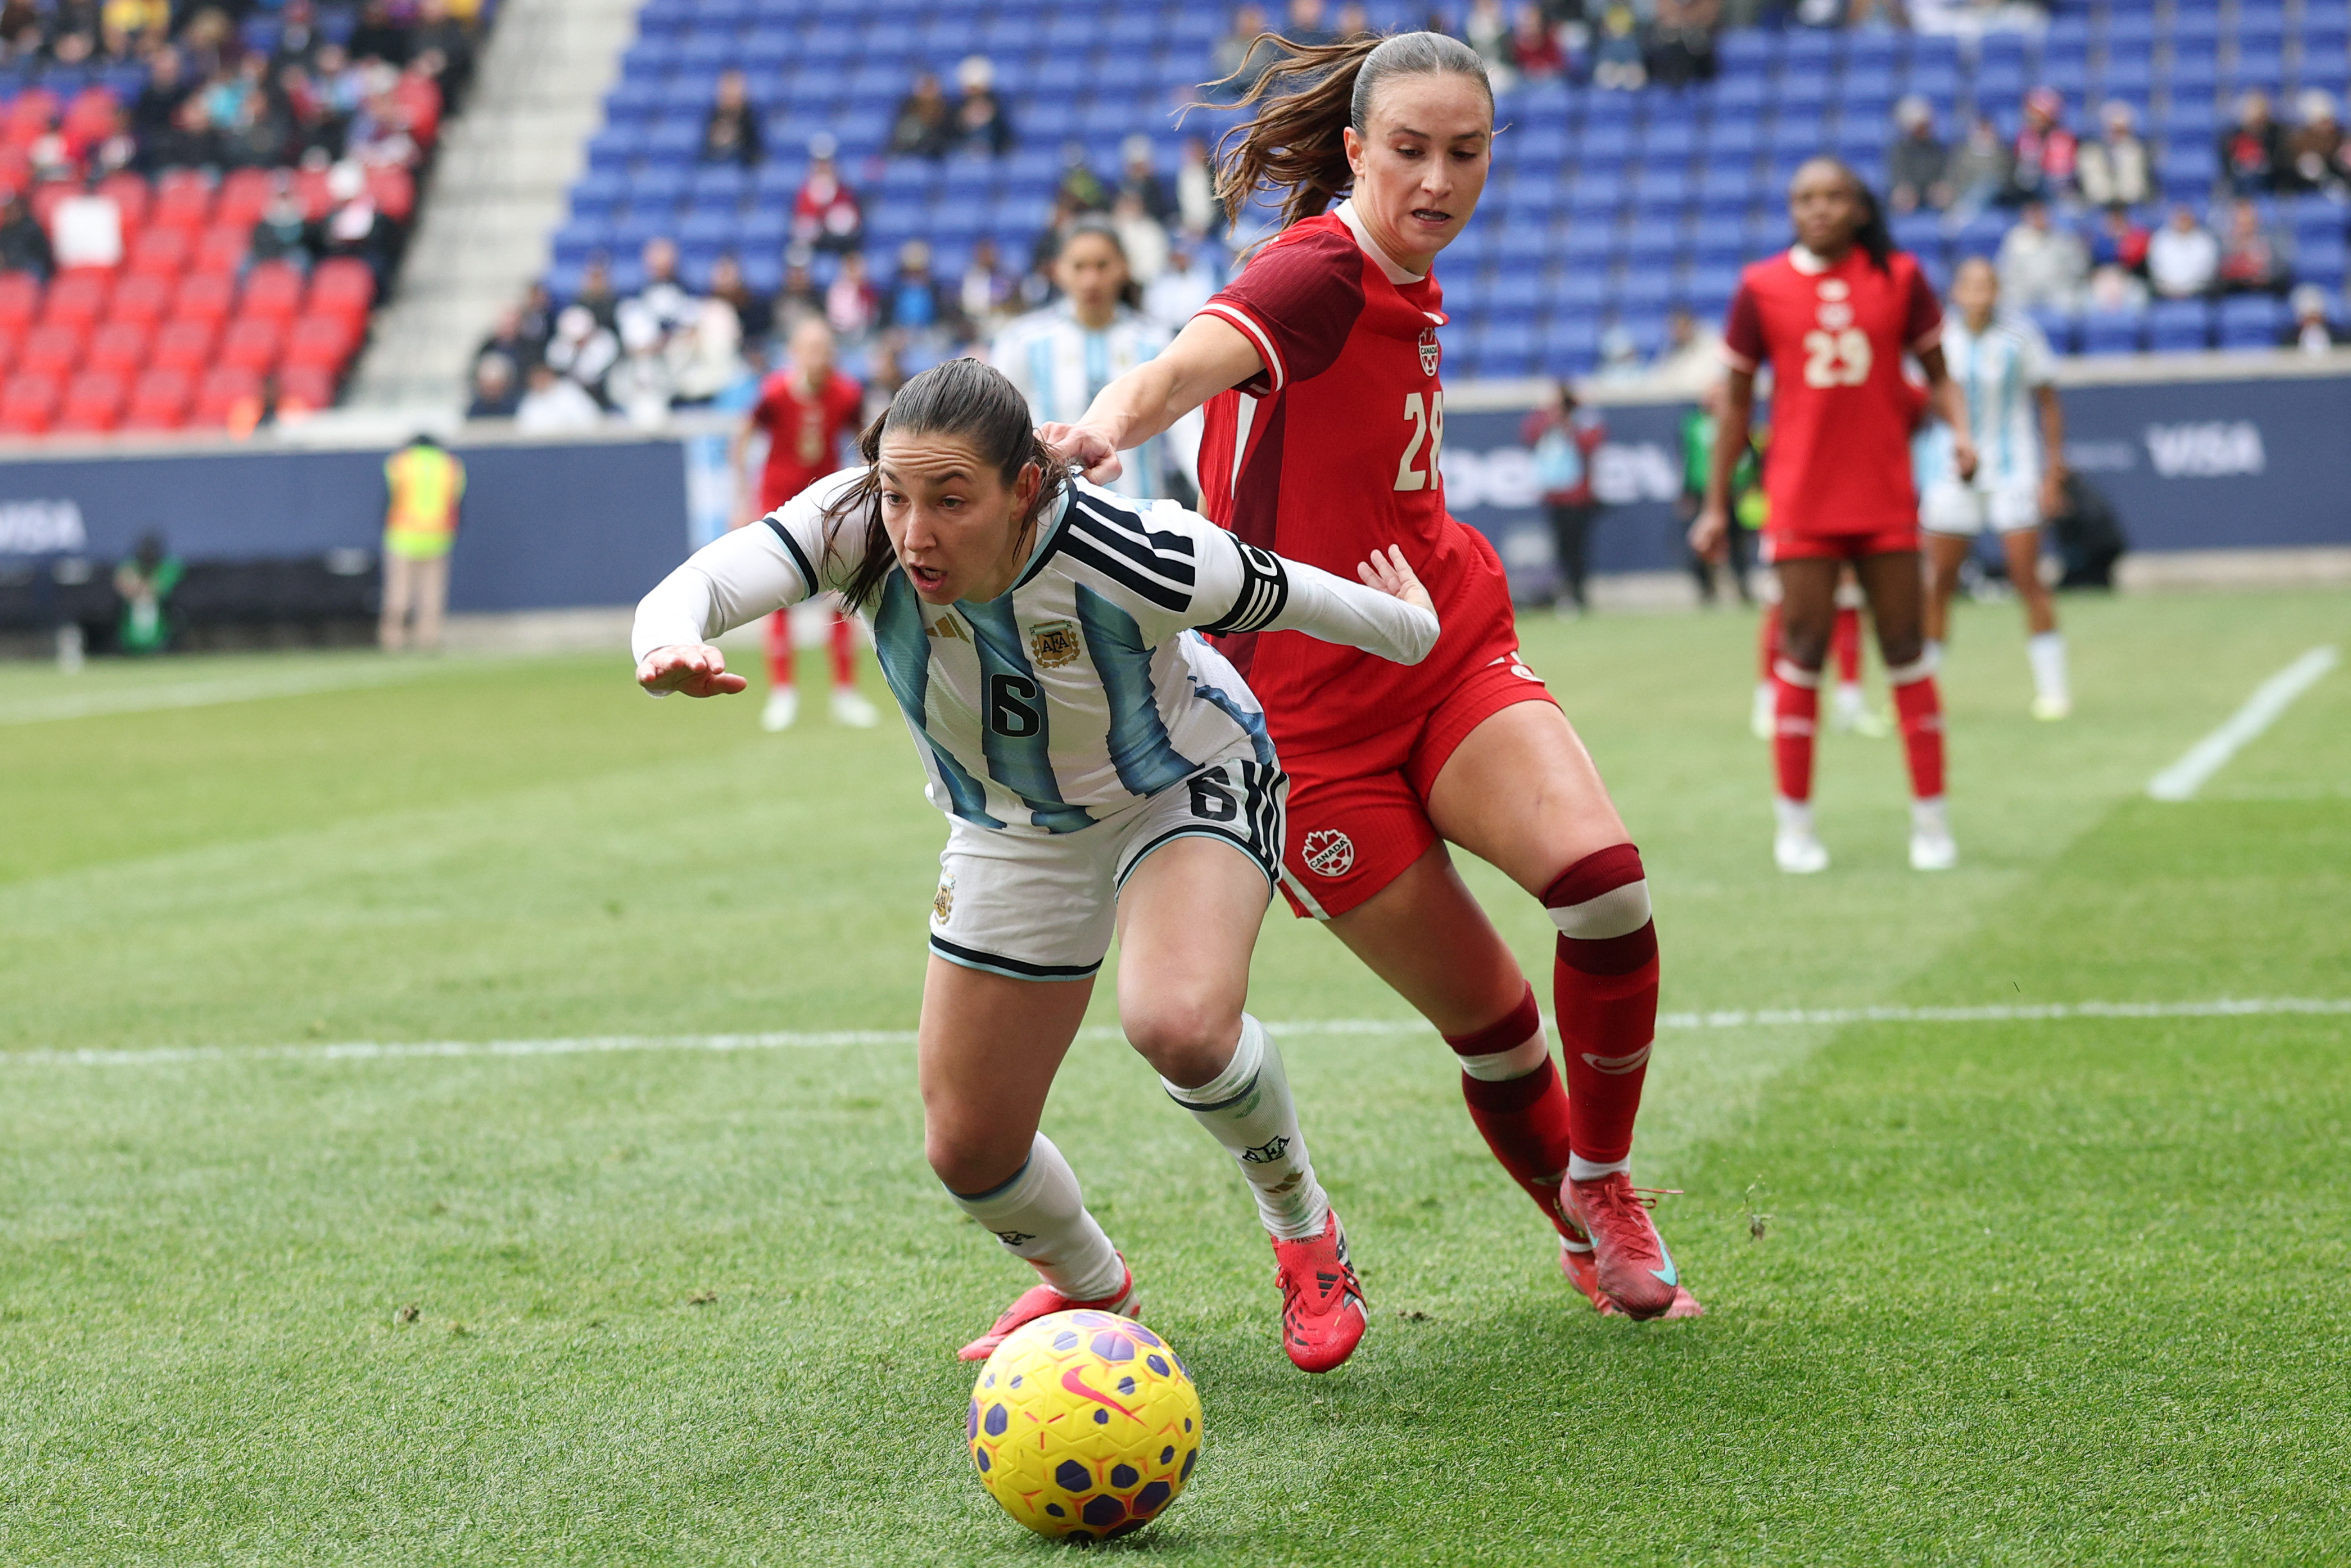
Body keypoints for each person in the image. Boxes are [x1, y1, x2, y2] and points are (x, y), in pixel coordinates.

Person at [1040, 31, 1701, 1322]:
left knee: (1603, 886)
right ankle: (1574, 1224)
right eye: (1409, 150)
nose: (1438, 179)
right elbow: (1183, 365)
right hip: (1300, 722)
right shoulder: (1316, 272)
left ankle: (1606, 1179)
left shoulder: (1402, 269)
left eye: (1465, 153)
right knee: (1497, 1025)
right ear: (1354, 150)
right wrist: (1104, 430)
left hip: (1441, 644)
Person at [633, 358, 1443, 1370]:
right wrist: (666, 640)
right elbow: (703, 582)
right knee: (968, 1148)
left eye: (949, 499)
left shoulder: (1140, 552)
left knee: (1178, 1023)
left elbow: (1318, 604)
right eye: (895, 495)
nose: (913, 531)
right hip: (1008, 824)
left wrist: (1414, 618)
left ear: (1024, 488)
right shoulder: (852, 522)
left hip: (1177, 782)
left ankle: (1302, 1230)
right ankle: (1094, 1286)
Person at [1692, 157, 1976, 876]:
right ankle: (1794, 829)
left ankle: (1933, 826)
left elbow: (1940, 374)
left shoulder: (1902, 277)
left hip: (1884, 497)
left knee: (1907, 650)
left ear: (1858, 207)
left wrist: (1963, 435)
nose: (1818, 209)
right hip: (1802, 501)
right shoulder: (1760, 287)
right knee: (1803, 650)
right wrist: (1717, 504)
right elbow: (1735, 407)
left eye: (1833, 197)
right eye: (1805, 199)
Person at [1916, 258, 2070, 722]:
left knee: (2027, 578)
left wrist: (2052, 471)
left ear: (1997, 290)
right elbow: (1923, 400)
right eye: (1969, 283)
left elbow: (2048, 406)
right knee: (1938, 584)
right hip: (1951, 475)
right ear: (1956, 291)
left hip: (2012, 471)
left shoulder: (2020, 337)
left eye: (1986, 284)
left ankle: (2053, 690)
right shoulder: (1938, 339)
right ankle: (1923, 696)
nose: (1978, 292)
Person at [734, 316, 875, 732]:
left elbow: (866, 442)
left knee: (840, 595)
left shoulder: (846, 393)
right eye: (810, 349)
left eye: (825, 348)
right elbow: (742, 438)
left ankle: (845, 692)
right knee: (776, 598)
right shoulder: (774, 394)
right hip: (777, 504)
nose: (819, 357)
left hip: (826, 506)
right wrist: (742, 499)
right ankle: (782, 692)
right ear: (794, 353)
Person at [993, 221, 1190, 503]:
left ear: (1124, 266)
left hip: (1140, 520)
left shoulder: (1157, 343)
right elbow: (1003, 434)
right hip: (1049, 517)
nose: (1091, 280)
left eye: (1102, 266)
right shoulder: (1021, 342)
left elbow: (1189, 436)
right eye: (1079, 267)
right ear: (1058, 269)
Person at [1523, 381, 1605, 615]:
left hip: (1578, 499)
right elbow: (1529, 432)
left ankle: (1578, 594)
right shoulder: (1548, 428)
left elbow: (1594, 441)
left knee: (1578, 549)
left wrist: (1579, 410)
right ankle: (1565, 593)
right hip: (1556, 499)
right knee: (1561, 550)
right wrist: (1544, 411)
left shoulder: (1580, 426)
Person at [379, 432, 467, 653]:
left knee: (398, 591)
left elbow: (390, 497)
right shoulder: (450, 465)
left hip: (403, 534)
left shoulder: (400, 463)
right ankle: (428, 638)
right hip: (438, 535)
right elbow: (456, 502)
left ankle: (393, 639)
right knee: (432, 593)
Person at [1678, 379, 1755, 607]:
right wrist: (1687, 491)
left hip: (1735, 491)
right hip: (1702, 490)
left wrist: (1749, 485)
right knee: (1700, 543)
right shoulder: (1693, 425)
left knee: (1737, 543)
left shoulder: (1738, 424)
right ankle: (1707, 589)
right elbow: (1687, 460)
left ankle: (1742, 587)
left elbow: (1750, 459)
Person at [1994, 200, 2087, 311]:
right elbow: (2004, 272)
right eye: (2034, 214)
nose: (2038, 218)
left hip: (2059, 294)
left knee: (2076, 305)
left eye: (2041, 214)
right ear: (2026, 217)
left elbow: (2079, 269)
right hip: (2022, 296)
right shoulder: (2015, 239)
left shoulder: (2063, 239)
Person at [791, 135, 863, 255]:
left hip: (841, 245)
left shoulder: (844, 191)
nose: (823, 167)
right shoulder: (804, 193)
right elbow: (800, 222)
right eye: (819, 162)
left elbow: (852, 221)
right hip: (812, 247)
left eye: (826, 162)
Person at [112, 532, 182, 655]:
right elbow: (122, 584)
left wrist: (140, 586)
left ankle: (158, 644)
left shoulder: (168, 565)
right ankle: (131, 644)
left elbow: (157, 588)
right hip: (128, 629)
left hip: (162, 624)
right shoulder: (130, 565)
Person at [2076, 99, 2150, 209]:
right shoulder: (2090, 151)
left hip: (2131, 204)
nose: (2117, 135)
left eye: (2122, 130)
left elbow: (2137, 190)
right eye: (2114, 130)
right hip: (2098, 205)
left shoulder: (2137, 151)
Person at [2010, 87, 2077, 205]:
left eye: (2040, 117)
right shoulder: (2025, 137)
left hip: (2056, 189)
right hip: (2028, 190)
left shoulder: (2063, 138)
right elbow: (2023, 171)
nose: (2035, 121)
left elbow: (2061, 173)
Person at [1887, 96, 1951, 214]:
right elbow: (1898, 176)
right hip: (1910, 194)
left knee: (1944, 195)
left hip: (1931, 193)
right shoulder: (1900, 150)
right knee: (1901, 198)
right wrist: (1906, 190)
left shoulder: (1936, 148)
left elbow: (1944, 173)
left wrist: (1939, 186)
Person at [2216, 198, 2291, 296]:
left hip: (2266, 290)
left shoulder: (2271, 241)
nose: (2245, 227)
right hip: (2233, 292)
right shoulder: (2223, 246)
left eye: (2249, 222)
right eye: (2241, 223)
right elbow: (2218, 275)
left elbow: (2283, 271)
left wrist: (2264, 273)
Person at [2218, 90, 2284, 196]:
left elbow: (2280, 167)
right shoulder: (2232, 137)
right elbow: (2227, 169)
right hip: (2241, 186)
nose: (2257, 123)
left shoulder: (2276, 136)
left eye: (2260, 118)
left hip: (2269, 184)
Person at [2147, 205, 2219, 299]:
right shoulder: (2160, 239)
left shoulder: (2205, 240)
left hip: (2199, 293)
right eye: (2179, 219)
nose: (2182, 222)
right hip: (2166, 293)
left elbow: (2207, 270)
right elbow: (2155, 267)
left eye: (2185, 219)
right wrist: (2172, 288)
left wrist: (2187, 288)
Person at [2284, 90, 2347, 194]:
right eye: (2323, 122)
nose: (2328, 126)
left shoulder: (2339, 137)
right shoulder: (2299, 141)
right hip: (2304, 186)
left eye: (2329, 121)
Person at [699, 68, 762, 167]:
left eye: (734, 89)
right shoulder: (712, 117)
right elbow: (704, 152)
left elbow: (756, 152)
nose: (730, 93)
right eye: (726, 88)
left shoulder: (751, 120)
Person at [889, 71, 956, 160]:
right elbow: (899, 141)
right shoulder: (907, 109)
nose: (928, 93)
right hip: (911, 156)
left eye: (931, 88)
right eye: (925, 88)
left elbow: (950, 140)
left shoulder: (948, 112)